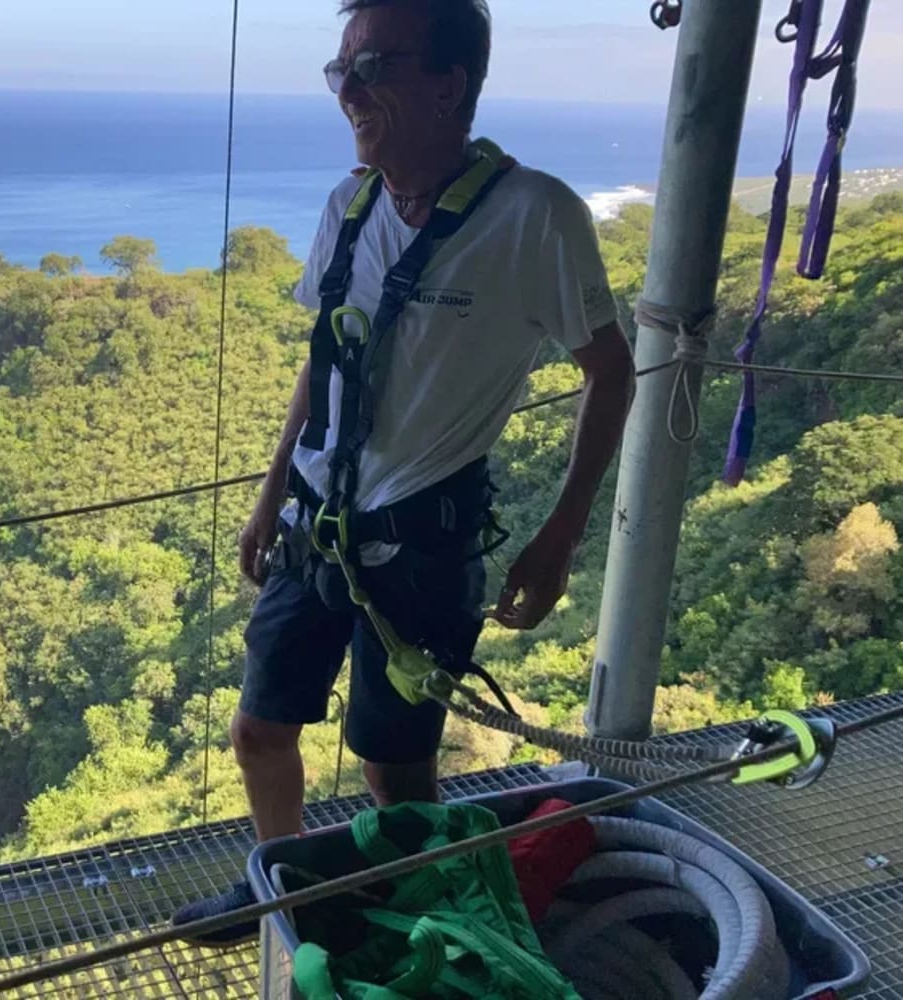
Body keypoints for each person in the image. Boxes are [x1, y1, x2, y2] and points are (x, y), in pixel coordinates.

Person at [172, 0, 635, 947]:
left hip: (423, 545)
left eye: (370, 64)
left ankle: (416, 915)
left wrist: (558, 537)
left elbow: (611, 370)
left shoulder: (533, 217)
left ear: (447, 87)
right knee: (260, 731)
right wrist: (269, 497)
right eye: (338, 68)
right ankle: (289, 895)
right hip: (316, 528)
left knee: (394, 764)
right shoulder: (348, 207)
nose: (347, 89)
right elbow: (323, 359)